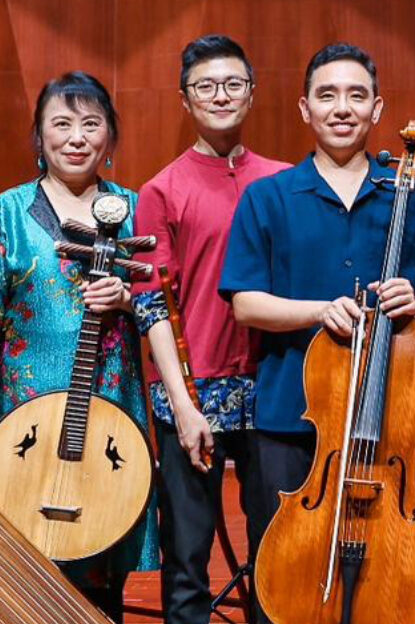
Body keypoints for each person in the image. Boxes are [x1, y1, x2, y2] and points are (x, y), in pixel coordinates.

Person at [218, 42, 415, 624]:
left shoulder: (414, 199)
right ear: (305, 108)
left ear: (377, 109)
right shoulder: (268, 198)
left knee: (395, 585)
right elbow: (245, 303)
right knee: (285, 581)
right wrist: (317, 311)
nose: (342, 108)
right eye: (327, 96)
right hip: (294, 419)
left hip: (396, 424)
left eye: (357, 95)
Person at [131, 34, 289, 623]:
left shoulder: (283, 181)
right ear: (185, 99)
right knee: (187, 560)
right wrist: (183, 405)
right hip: (192, 394)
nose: (220, 95)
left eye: (232, 84)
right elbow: (151, 305)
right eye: (205, 86)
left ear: (251, 93)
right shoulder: (161, 190)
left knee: (277, 552)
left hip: (273, 389)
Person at [0, 71, 158, 623]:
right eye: (61, 124)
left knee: (101, 545)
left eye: (91, 124)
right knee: (23, 567)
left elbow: (165, 309)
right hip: (21, 412)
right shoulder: (7, 212)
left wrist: (128, 300)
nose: (76, 138)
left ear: (109, 136)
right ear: (39, 135)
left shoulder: (137, 208)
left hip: (111, 406)